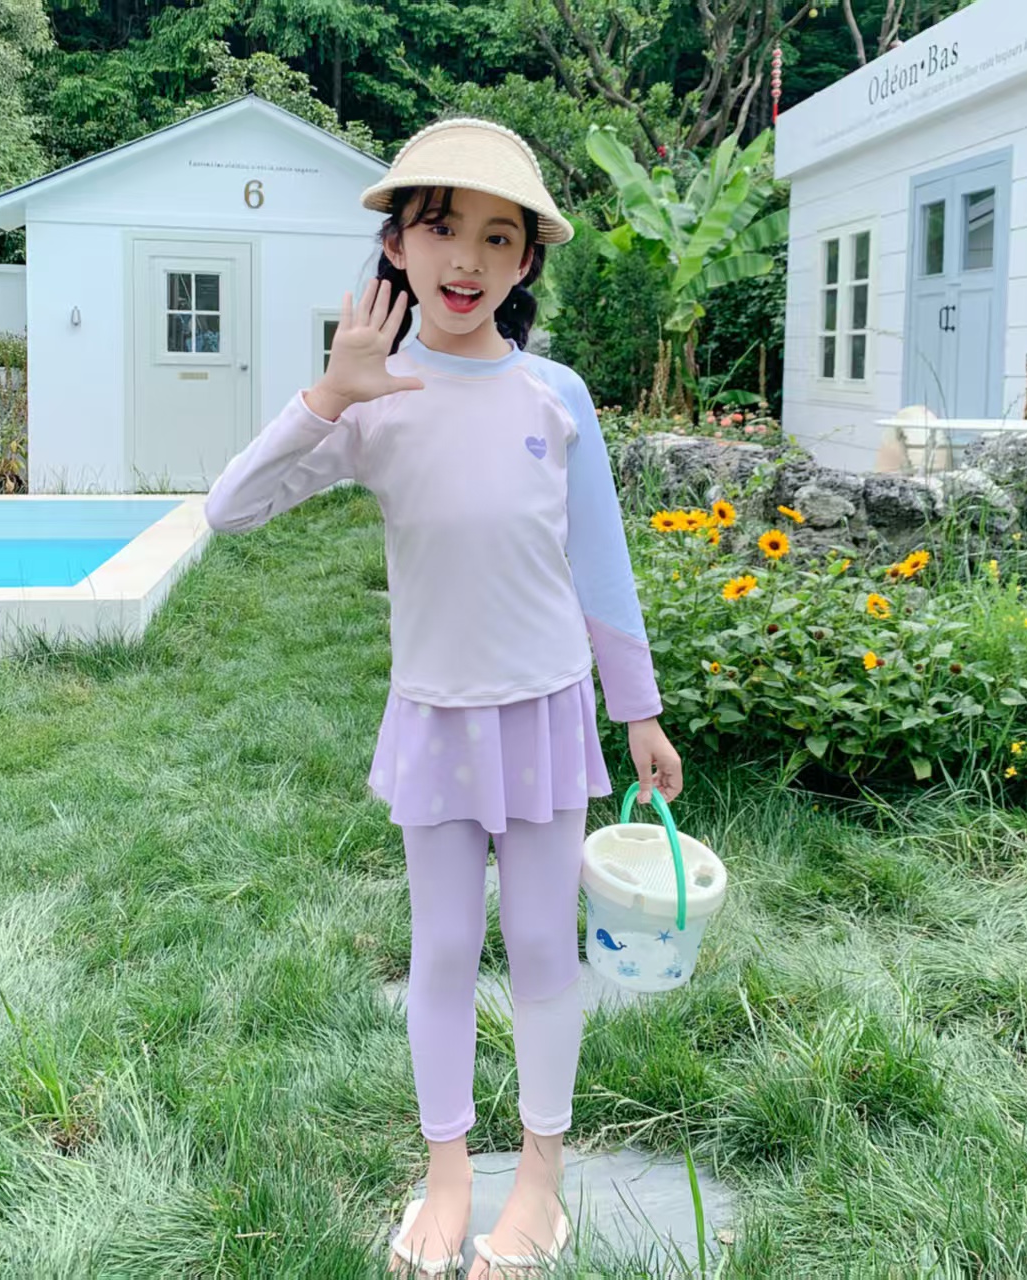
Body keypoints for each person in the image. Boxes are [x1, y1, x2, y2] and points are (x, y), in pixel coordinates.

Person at [203, 115, 683, 1279]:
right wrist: (328, 394)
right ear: (397, 247)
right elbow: (229, 509)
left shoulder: (555, 395)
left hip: (546, 711)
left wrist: (638, 706)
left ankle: (539, 1179)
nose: (465, 258)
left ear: (523, 260)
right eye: (439, 227)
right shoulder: (373, 399)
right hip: (434, 715)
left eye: (496, 236)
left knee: (541, 944)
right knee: (444, 946)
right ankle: (449, 1170)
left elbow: (600, 561)